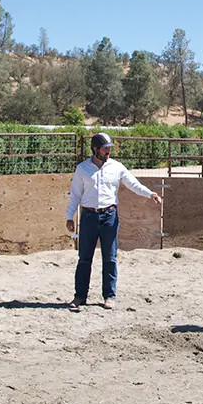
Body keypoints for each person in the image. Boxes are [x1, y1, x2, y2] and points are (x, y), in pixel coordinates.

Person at [65, 132, 161, 310]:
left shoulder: (117, 167)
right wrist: (70, 216)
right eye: (105, 148)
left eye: (109, 148)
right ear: (95, 149)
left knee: (110, 257)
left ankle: (109, 296)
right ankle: (80, 296)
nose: (108, 151)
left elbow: (133, 184)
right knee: (84, 258)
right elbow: (75, 195)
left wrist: (150, 194)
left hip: (109, 216)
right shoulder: (82, 169)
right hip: (88, 217)